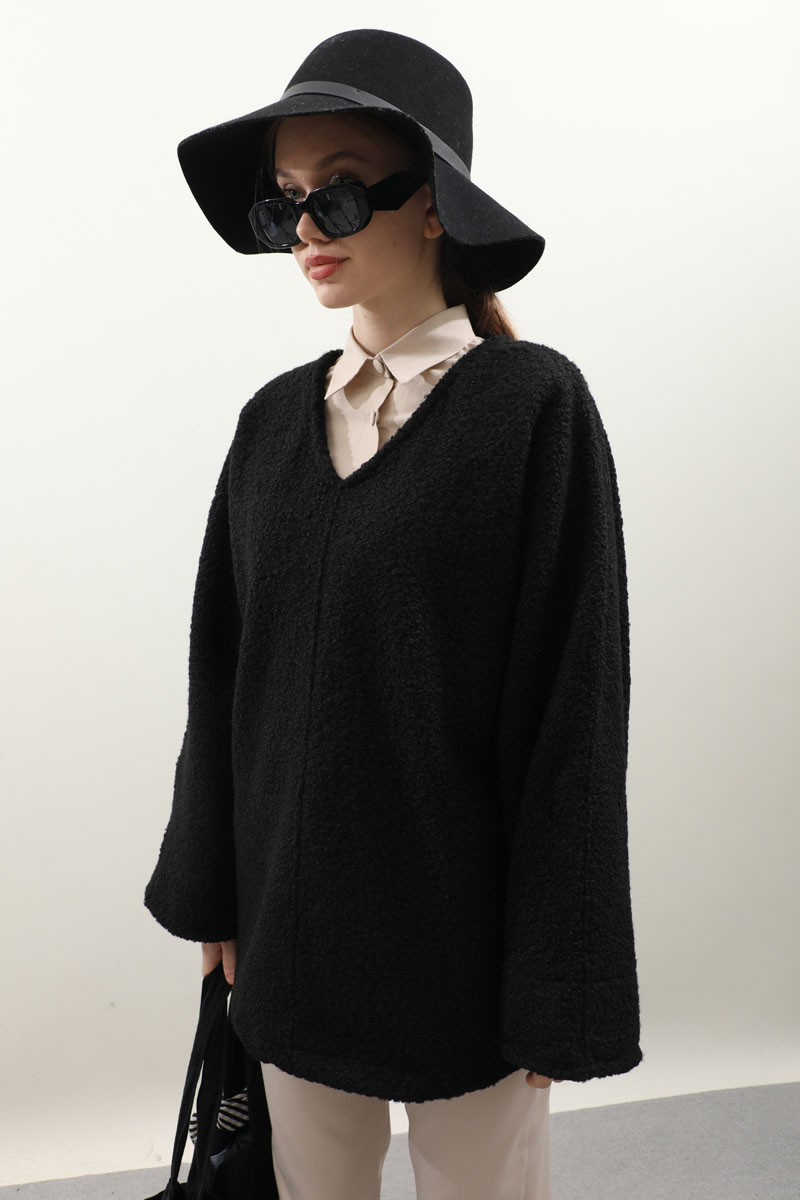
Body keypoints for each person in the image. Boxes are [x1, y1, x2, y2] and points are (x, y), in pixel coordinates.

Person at [144, 27, 643, 1200]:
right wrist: (214, 894)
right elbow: (222, 676)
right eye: (284, 202)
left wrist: (558, 982)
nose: (304, 229)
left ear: (432, 203)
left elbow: (572, 712)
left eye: (339, 191)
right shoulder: (271, 425)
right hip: (290, 938)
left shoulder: (531, 409)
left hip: (463, 949)